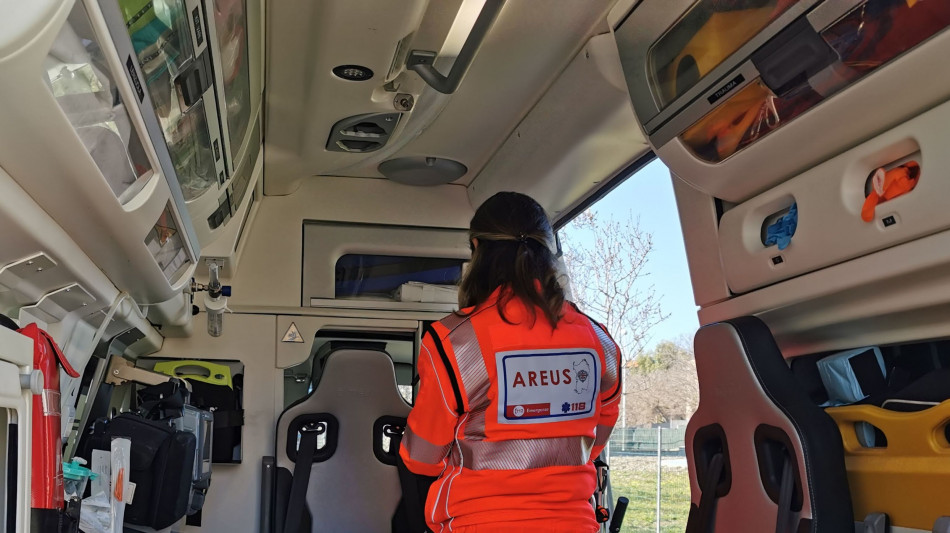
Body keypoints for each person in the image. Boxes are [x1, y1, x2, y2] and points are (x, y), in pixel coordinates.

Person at [399, 192, 622, 533]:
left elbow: (421, 459)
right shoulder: (599, 342)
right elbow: (595, 440)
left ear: (476, 249)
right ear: (549, 253)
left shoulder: (454, 343)